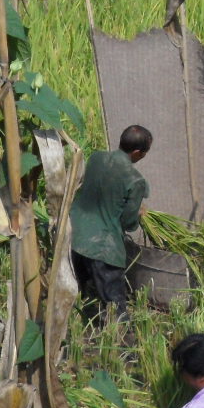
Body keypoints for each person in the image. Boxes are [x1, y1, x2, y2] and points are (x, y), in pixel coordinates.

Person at [70, 124, 151, 314]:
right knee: (115, 307)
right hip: (103, 249)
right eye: (145, 152)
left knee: (81, 297)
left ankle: (79, 330)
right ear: (138, 152)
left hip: (75, 239)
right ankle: (120, 340)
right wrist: (137, 213)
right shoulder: (135, 180)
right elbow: (128, 224)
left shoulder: (96, 158)